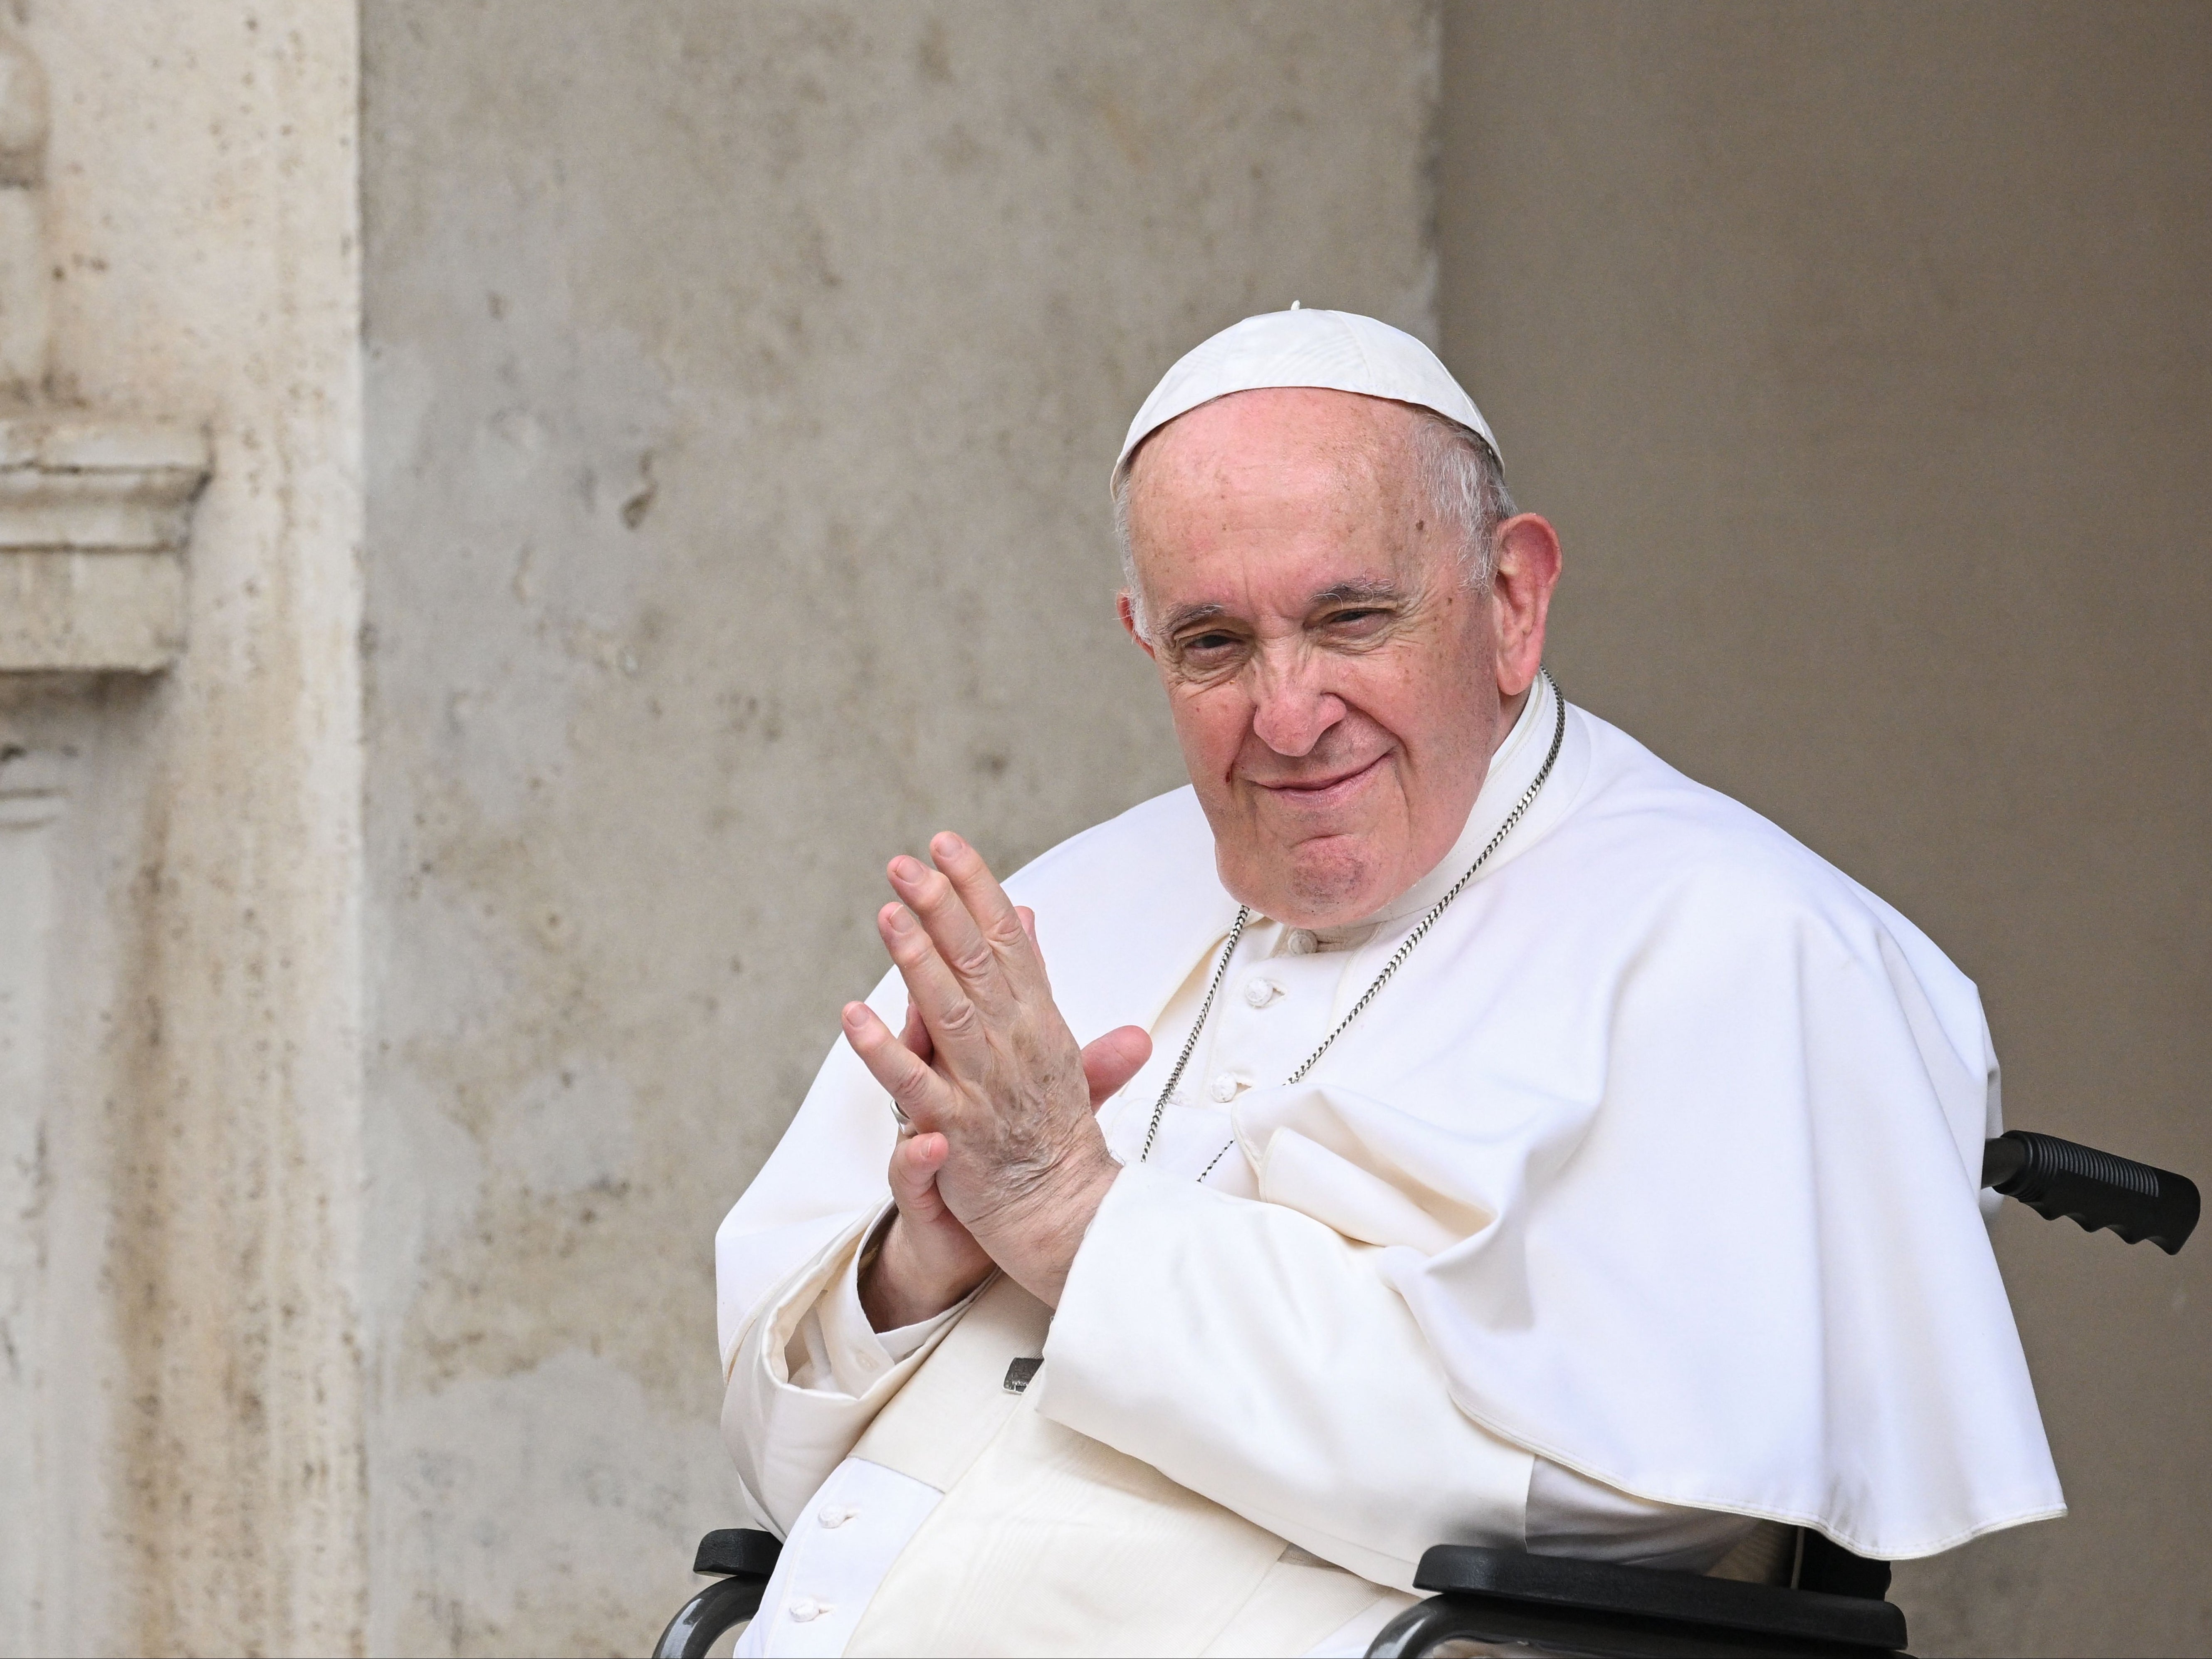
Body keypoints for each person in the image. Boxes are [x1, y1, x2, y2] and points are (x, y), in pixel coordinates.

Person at [712, 309, 2062, 1657]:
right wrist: (912, 1271)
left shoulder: (1754, 944)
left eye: (1350, 619)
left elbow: (1622, 1511)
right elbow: (775, 1465)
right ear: (1144, 642)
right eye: (1214, 646)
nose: (1288, 718)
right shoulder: (1071, 902)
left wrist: (1074, 1218)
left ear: (1513, 602)